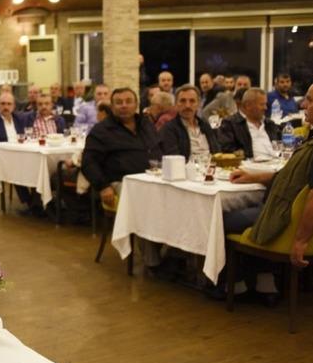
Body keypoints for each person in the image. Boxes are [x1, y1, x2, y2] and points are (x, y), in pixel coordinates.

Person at [225, 79, 313, 298]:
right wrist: (255, 177)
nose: (303, 105)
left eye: (310, 100)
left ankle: (233, 284)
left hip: (289, 220)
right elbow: (295, 178)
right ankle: (264, 280)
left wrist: (301, 240)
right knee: (253, 208)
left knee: (221, 218)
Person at [82, 88, 163, 269]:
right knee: (145, 204)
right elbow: (88, 163)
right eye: (119, 102)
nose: (124, 106)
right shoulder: (102, 131)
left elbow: (159, 149)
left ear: (136, 104)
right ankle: (153, 262)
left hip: (153, 179)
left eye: (128, 101)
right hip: (121, 182)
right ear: (112, 106)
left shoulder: (146, 124)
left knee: (177, 199)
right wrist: (103, 186)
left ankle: (176, 254)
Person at [159, 85, 220, 160]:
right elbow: (174, 160)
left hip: (212, 166)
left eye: (192, 101)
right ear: (176, 104)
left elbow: (217, 153)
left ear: (198, 104)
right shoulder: (169, 129)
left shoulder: (206, 126)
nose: (187, 106)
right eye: (182, 101)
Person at [218, 88, 280, 159]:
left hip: (276, 162)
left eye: (265, 104)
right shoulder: (230, 124)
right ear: (248, 106)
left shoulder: (269, 124)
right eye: (262, 104)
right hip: (249, 164)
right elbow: (227, 151)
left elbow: (281, 145)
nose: (265, 108)